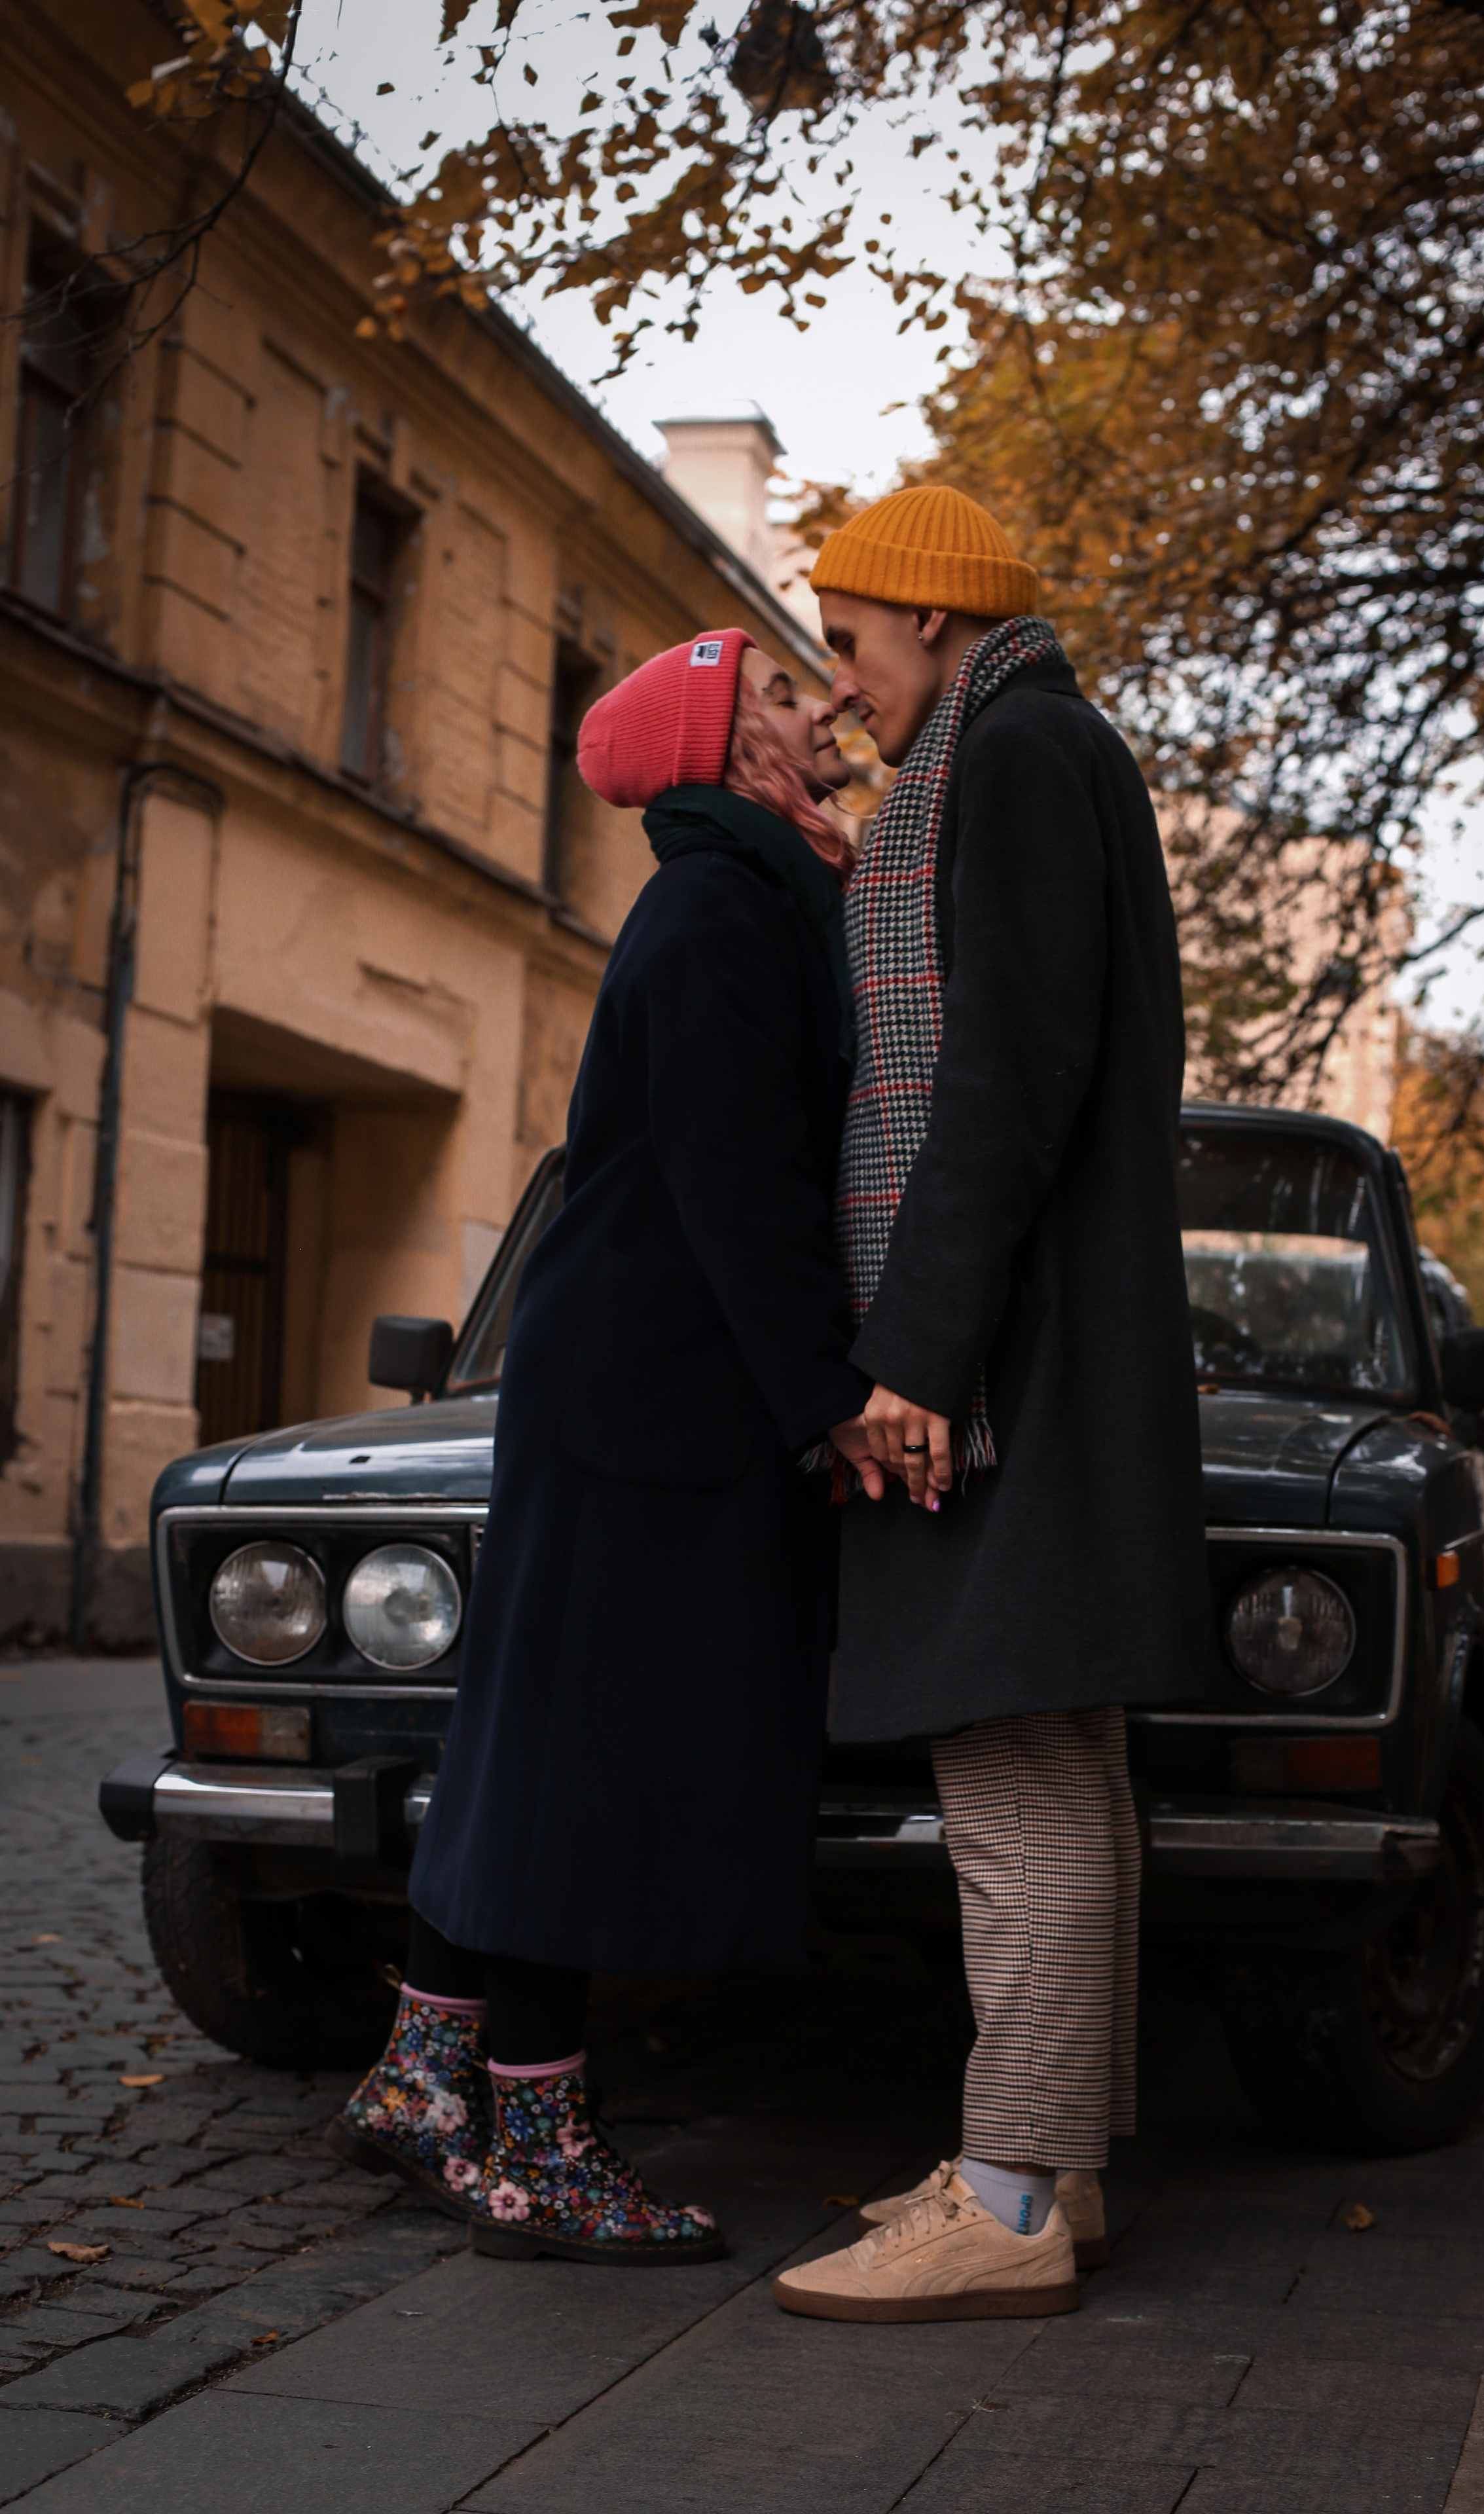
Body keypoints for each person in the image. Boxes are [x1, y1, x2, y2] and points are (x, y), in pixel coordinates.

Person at [329, 629, 883, 2265]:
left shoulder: (749, 886)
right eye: (784, 695)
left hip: (624, 1384)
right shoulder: (719, 907)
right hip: (658, 1397)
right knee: (578, 1767)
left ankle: (426, 2078)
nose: (821, 705)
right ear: (727, 750)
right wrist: (828, 1396)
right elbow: (739, 1184)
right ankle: (540, 2157)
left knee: (527, 1731)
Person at [772, 486, 1212, 2325]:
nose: (846, 688)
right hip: (1048, 1354)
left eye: (856, 648)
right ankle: (1063, 2166)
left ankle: (1013, 2197)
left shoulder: (1019, 760)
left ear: (935, 624)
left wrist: (916, 1355)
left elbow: (1000, 1076)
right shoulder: (1040, 750)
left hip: (1008, 1368)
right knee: (1064, 1775)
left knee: (1014, 1776)